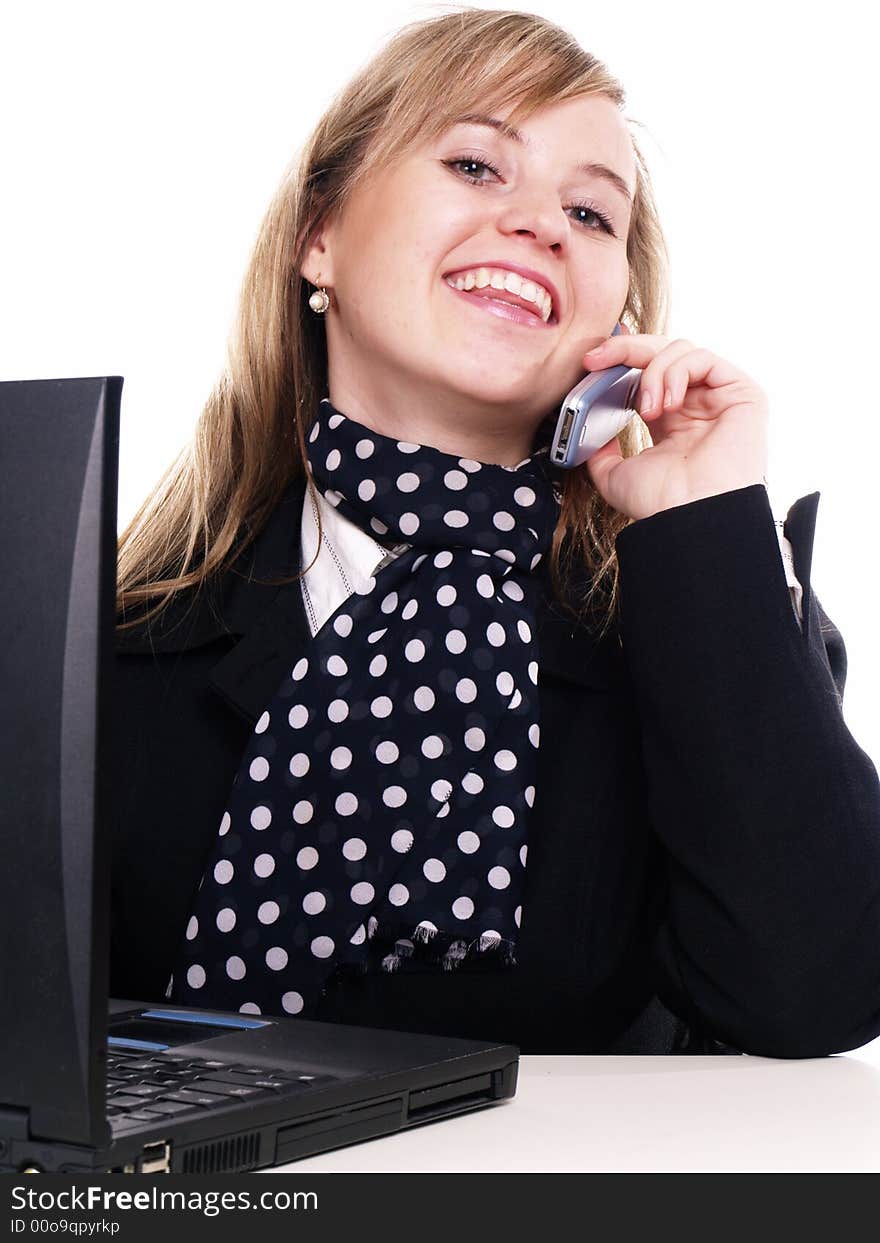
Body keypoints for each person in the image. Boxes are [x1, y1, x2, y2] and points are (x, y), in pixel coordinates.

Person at [110, 7, 880, 1057]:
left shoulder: (706, 612)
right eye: (476, 165)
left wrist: (704, 523)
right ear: (318, 235)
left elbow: (814, 998)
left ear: (613, 316)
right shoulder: (104, 633)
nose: (542, 224)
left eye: (591, 213)